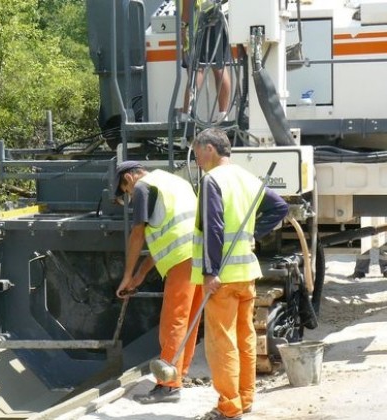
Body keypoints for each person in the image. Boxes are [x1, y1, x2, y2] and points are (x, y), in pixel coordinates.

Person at [191, 128, 288, 420]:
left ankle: (228, 405)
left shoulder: (212, 181)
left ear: (209, 148)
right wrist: (252, 233)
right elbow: (279, 206)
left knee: (221, 342)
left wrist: (209, 271)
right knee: (244, 338)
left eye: (196, 150)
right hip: (247, 274)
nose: (195, 157)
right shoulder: (247, 179)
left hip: (222, 276)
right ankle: (245, 398)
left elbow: (214, 229)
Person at [113, 161, 204, 404]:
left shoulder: (143, 187)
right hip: (200, 255)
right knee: (189, 321)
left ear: (129, 178)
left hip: (182, 259)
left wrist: (126, 276)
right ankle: (177, 375)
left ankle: (168, 386)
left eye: (125, 191)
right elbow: (167, 232)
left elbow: (138, 234)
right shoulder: (175, 181)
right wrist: (140, 275)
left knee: (173, 322)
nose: (129, 196)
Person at [180, 0, 232, 123]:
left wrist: (182, 26)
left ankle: (186, 115)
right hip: (219, 19)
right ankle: (222, 116)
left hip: (199, 25)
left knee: (196, 69)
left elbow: (188, 5)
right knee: (220, 67)